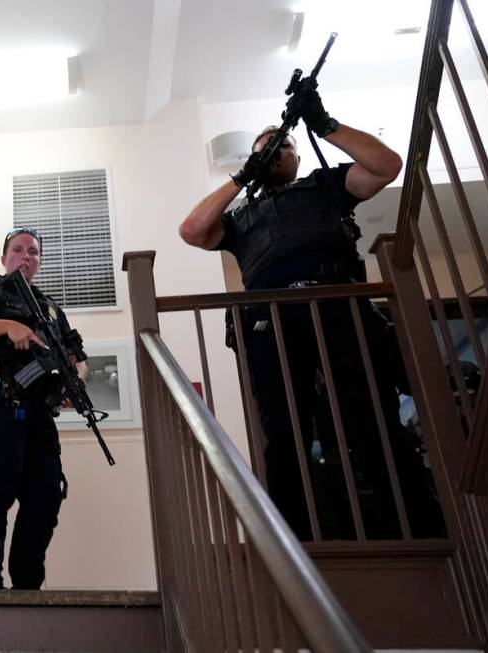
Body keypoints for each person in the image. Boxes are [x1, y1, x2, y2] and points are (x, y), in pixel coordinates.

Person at [178, 87, 444, 541]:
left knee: (372, 419)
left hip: (339, 309)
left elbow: (387, 166)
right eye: (267, 149)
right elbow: (192, 230)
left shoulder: (326, 185)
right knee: (285, 436)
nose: (277, 151)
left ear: (298, 156)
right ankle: (295, 543)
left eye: (285, 145)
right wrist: (244, 176)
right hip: (273, 323)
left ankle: (420, 530)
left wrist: (325, 125)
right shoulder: (241, 217)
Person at [0, 228, 88, 589]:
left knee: (45, 494)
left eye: (33, 252)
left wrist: (75, 380)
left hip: (39, 412)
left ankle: (27, 586)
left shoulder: (51, 308)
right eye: (18, 250)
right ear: (4, 257)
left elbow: (79, 359)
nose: (26, 256)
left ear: (40, 261)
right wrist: (8, 326)